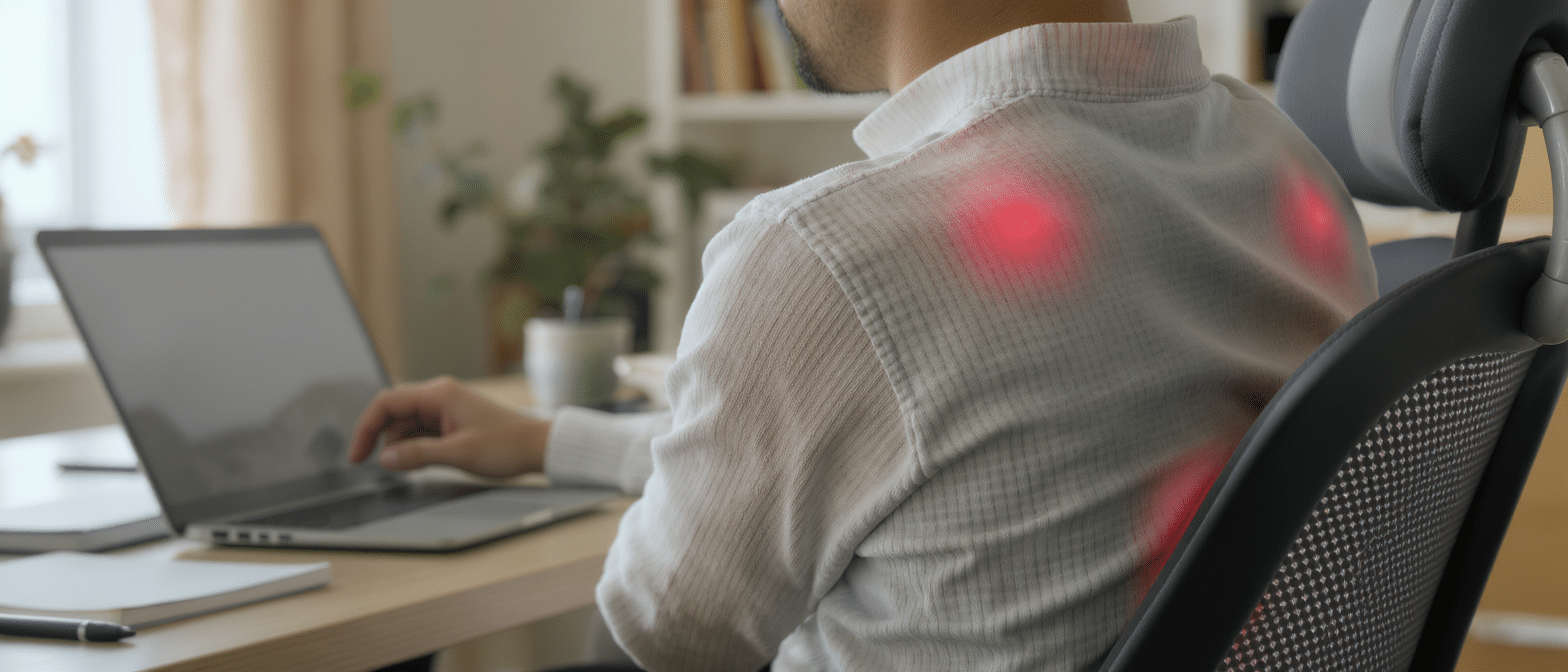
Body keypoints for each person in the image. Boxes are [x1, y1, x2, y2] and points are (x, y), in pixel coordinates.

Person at [351, 0, 1378, 669]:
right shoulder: (1287, 176)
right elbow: (990, 455)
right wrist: (552, 443)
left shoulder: (829, 252)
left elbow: (649, 653)